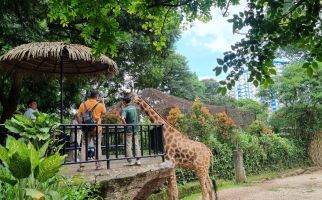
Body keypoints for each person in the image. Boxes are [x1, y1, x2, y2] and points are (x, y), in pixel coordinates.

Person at [77, 90, 106, 171]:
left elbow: (77, 115)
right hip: (97, 129)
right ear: (96, 96)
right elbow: (104, 113)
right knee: (97, 146)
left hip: (86, 128)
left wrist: (81, 126)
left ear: (90, 96)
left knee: (84, 145)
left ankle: (81, 166)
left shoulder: (83, 104)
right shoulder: (100, 105)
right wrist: (103, 102)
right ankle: (98, 165)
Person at [121, 94, 141, 166]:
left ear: (124, 102)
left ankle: (130, 161)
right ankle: (138, 160)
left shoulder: (125, 109)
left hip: (129, 129)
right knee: (136, 144)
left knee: (128, 144)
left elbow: (122, 118)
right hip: (135, 128)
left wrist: (125, 125)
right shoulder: (134, 108)